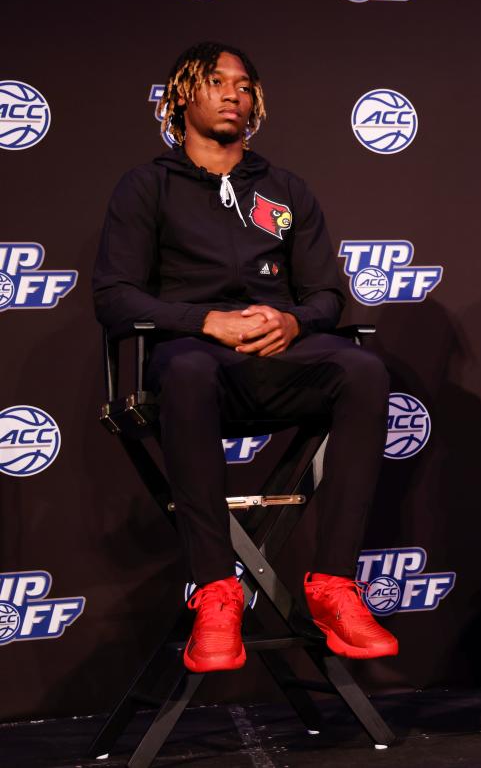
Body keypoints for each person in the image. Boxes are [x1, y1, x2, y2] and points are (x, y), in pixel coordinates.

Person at [93, 42, 398, 672]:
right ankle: (215, 591)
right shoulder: (148, 185)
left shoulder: (283, 188)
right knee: (186, 366)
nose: (234, 93)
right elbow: (115, 297)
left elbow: (325, 294)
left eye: (244, 84)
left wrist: (293, 320)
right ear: (182, 95)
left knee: (363, 368)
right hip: (196, 367)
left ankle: (335, 585)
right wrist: (205, 320)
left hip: (276, 360)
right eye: (215, 82)